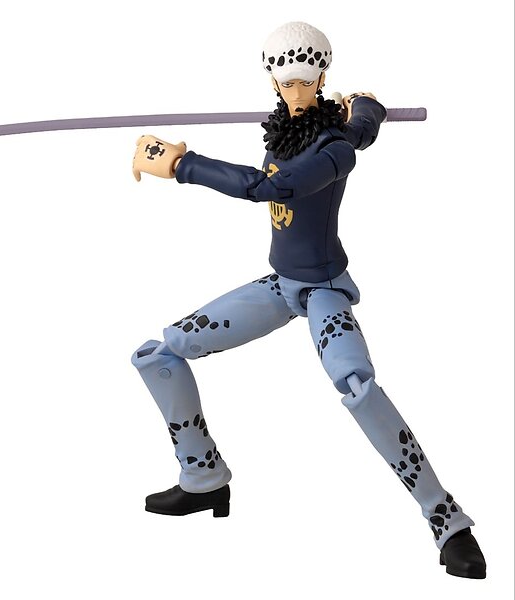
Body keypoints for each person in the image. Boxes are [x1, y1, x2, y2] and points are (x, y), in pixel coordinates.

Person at [130, 21, 486, 579]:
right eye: (285, 80)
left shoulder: (334, 147)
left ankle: (447, 521)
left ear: (322, 75)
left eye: (305, 79)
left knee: (356, 384)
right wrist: (365, 106)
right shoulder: (288, 129)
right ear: (271, 79)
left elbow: (272, 187)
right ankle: (202, 476)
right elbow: (361, 121)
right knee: (159, 353)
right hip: (279, 284)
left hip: (323, 289)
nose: (296, 90)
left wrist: (181, 165)